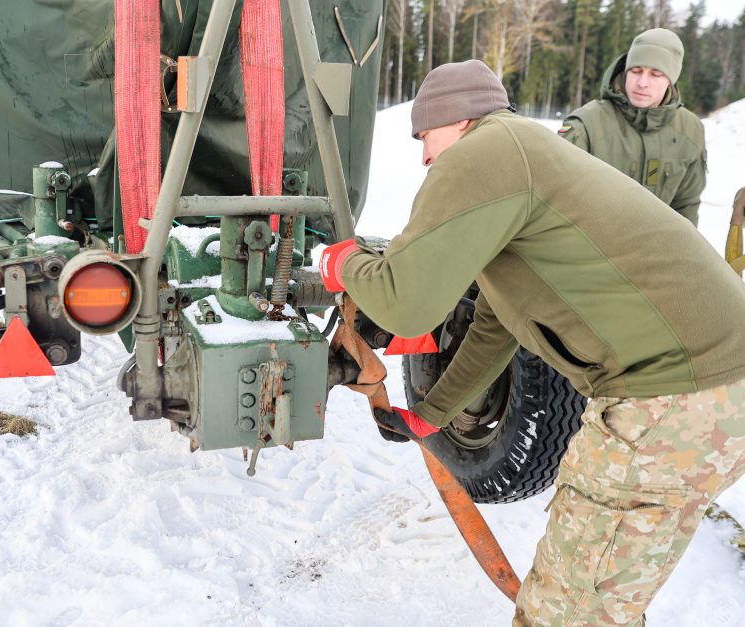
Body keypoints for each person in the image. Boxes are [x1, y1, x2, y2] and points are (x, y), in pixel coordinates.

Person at [318, 59, 745, 626]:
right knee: (604, 602)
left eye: (424, 137)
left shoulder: (488, 151)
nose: (423, 157)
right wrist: (433, 414)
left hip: (669, 402)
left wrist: (342, 262)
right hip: (716, 396)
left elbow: (404, 305)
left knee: (566, 613)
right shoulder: (525, 162)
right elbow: (495, 327)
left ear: (456, 118)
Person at [558, 28, 706, 226]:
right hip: (594, 249)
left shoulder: (690, 129)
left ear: (670, 81)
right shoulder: (586, 125)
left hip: (659, 251)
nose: (642, 83)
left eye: (655, 74)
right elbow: (556, 199)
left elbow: (686, 205)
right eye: (636, 71)